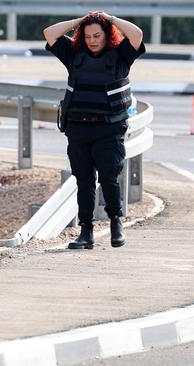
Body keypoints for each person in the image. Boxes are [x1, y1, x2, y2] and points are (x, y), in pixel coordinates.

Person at [43, 12, 145, 249]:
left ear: (107, 35)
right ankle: (85, 232)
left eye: (97, 35)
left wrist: (110, 18)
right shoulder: (73, 55)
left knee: (109, 177)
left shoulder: (121, 55)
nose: (92, 40)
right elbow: (49, 33)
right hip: (78, 128)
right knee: (84, 181)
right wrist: (79, 21)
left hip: (109, 129)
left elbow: (137, 34)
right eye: (87, 36)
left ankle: (115, 224)